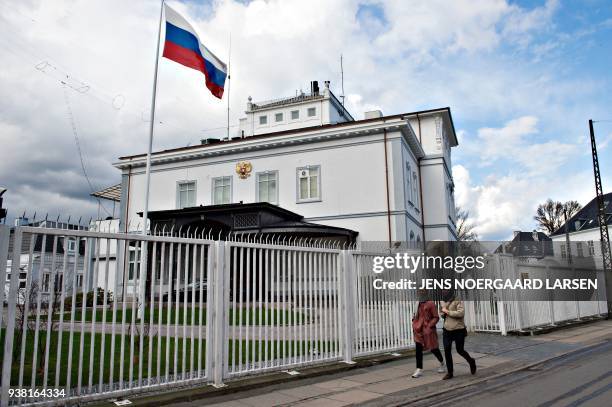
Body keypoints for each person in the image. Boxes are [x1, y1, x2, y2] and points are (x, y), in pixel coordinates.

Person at [440, 289, 476, 380]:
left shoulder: (457, 299)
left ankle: (471, 361)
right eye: (442, 289)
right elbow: (441, 313)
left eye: (446, 289)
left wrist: (447, 312)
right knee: (447, 351)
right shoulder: (442, 301)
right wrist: (442, 313)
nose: (444, 291)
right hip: (447, 329)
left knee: (460, 350)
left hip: (458, 329)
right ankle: (450, 372)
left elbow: (461, 313)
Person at [411, 289, 445, 378]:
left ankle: (442, 362)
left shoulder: (431, 303)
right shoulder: (417, 303)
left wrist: (429, 326)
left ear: (426, 292)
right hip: (418, 329)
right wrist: (414, 321)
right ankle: (419, 369)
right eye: (420, 291)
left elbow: (436, 317)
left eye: (423, 291)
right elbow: (415, 314)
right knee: (418, 349)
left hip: (428, 330)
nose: (421, 293)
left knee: (433, 348)